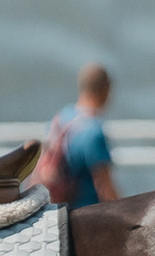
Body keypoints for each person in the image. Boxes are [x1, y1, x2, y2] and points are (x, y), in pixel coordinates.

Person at [38, 63, 121, 206]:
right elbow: (105, 187)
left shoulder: (61, 118)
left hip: (58, 212)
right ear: (106, 90)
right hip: (86, 217)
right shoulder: (93, 131)